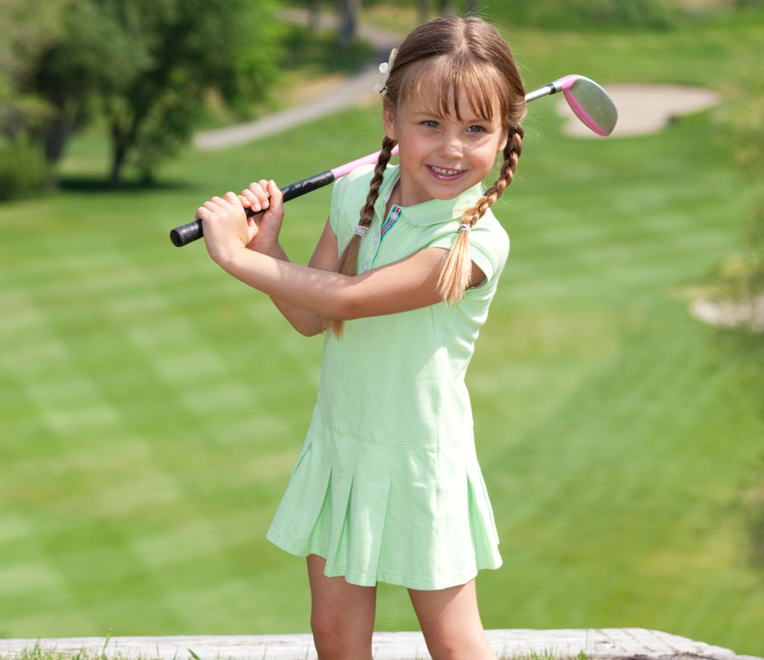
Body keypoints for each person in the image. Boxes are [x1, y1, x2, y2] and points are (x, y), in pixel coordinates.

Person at [195, 15, 525, 660]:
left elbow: (350, 299)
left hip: (418, 455)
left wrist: (236, 259)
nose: (452, 149)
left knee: (453, 642)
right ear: (390, 119)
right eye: (430, 123)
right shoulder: (354, 197)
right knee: (336, 634)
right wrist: (270, 245)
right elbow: (312, 315)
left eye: (476, 129)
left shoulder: (474, 241)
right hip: (344, 441)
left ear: (504, 135)